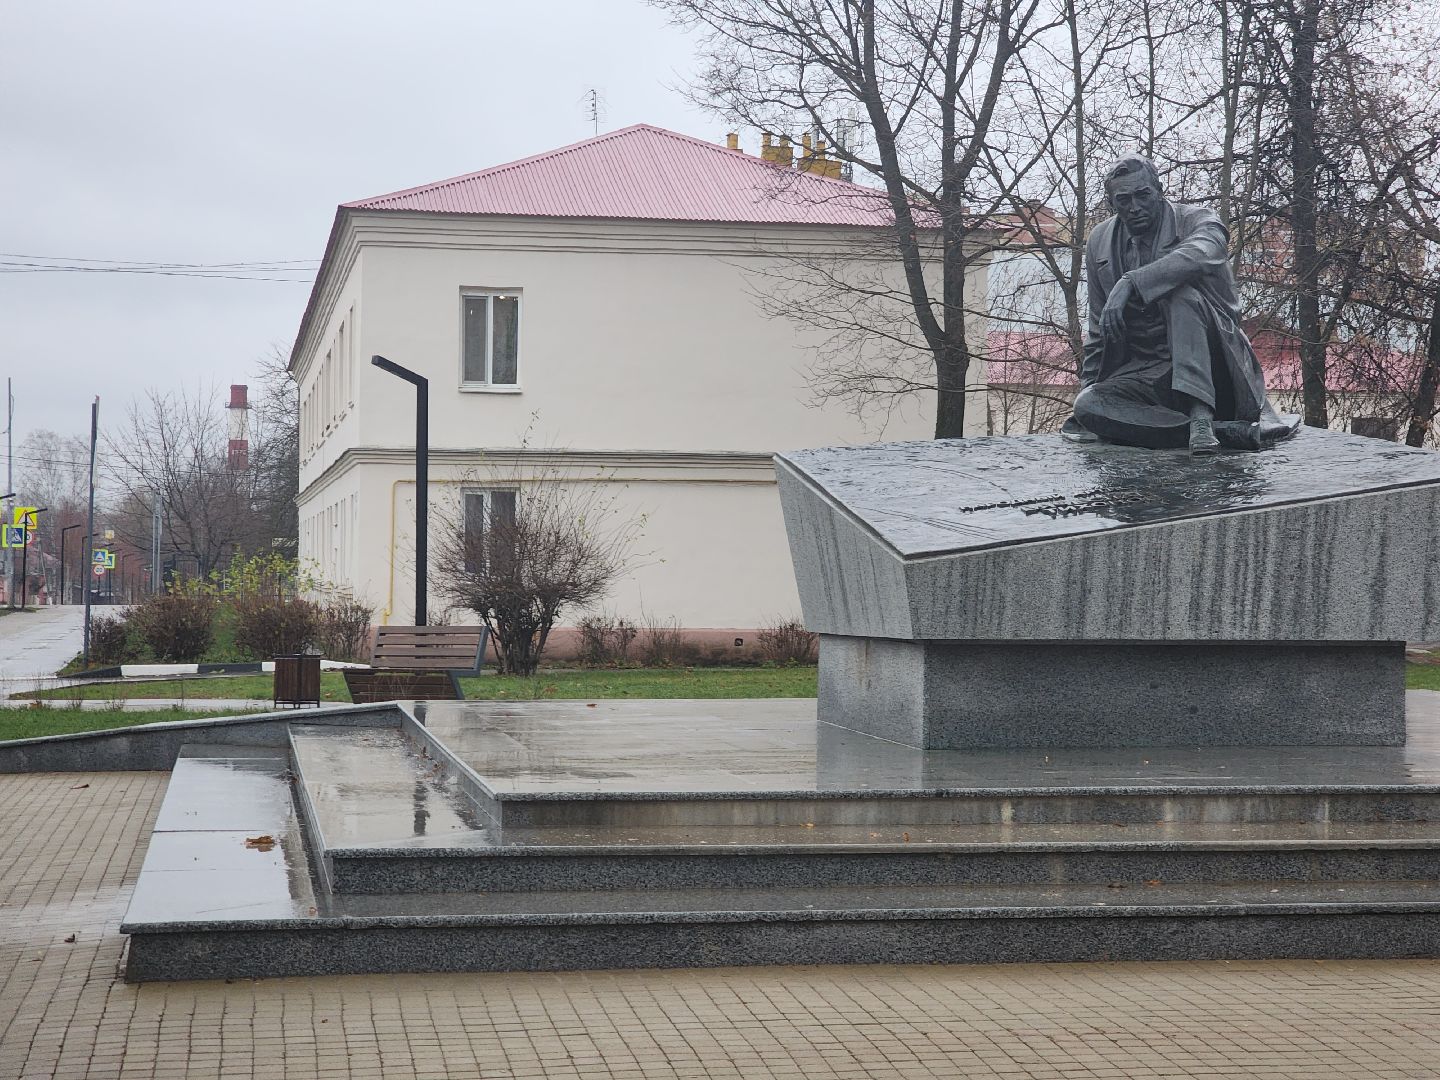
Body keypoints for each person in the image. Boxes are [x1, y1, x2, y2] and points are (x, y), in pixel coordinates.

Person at [1061, 155, 1299, 455]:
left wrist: (1132, 282)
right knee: (1088, 404)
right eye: (1123, 200)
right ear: (1112, 203)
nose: (1134, 207)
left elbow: (1204, 250)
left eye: (1142, 195)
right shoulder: (1100, 242)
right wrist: (1089, 393)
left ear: (1159, 190)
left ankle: (1202, 418)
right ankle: (1218, 432)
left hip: (1216, 374)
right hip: (1149, 377)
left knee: (1179, 295)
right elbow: (1099, 329)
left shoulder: (1197, 220)